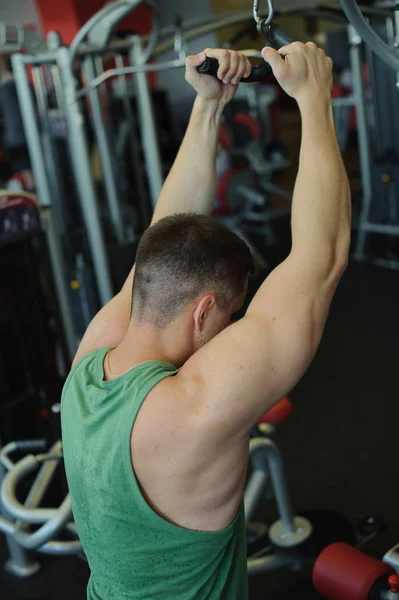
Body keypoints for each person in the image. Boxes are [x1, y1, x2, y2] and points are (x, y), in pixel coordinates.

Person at [61, 42, 351, 600]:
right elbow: (322, 260)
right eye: (231, 315)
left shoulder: (91, 358)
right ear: (203, 311)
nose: (231, 327)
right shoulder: (193, 409)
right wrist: (315, 100)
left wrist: (208, 105)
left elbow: (165, 231)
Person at [0, 55, 30, 175]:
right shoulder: (24, 85)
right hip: (31, 133)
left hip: (14, 137)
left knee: (23, 170)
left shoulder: (3, 89)